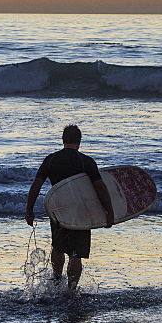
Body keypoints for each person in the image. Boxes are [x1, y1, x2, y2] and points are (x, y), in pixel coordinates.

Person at [25, 124, 115, 290]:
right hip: (81, 212)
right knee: (76, 253)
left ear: (63, 140)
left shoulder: (51, 159)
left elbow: (36, 185)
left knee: (57, 247)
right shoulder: (85, 161)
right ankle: (71, 290)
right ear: (79, 141)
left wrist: (29, 210)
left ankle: (57, 281)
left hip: (58, 210)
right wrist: (109, 211)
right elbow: (100, 188)